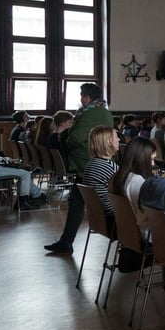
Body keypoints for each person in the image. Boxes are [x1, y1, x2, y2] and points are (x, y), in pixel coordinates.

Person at [44, 83, 114, 253]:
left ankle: (67, 242)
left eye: (82, 95)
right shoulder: (102, 111)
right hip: (91, 161)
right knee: (78, 200)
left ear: (86, 97)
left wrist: (66, 140)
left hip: (87, 162)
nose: (81, 99)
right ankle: (66, 241)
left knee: (88, 202)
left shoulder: (90, 113)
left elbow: (75, 137)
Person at [0, 118, 44, 209]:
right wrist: (7, 161)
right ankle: (24, 201)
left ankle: (31, 197)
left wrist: (7, 159)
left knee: (23, 173)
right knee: (25, 174)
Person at [109, 136, 157, 229]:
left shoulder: (116, 177)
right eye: (151, 159)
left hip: (126, 230)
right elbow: (144, 218)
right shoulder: (137, 181)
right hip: (144, 232)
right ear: (141, 158)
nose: (153, 164)